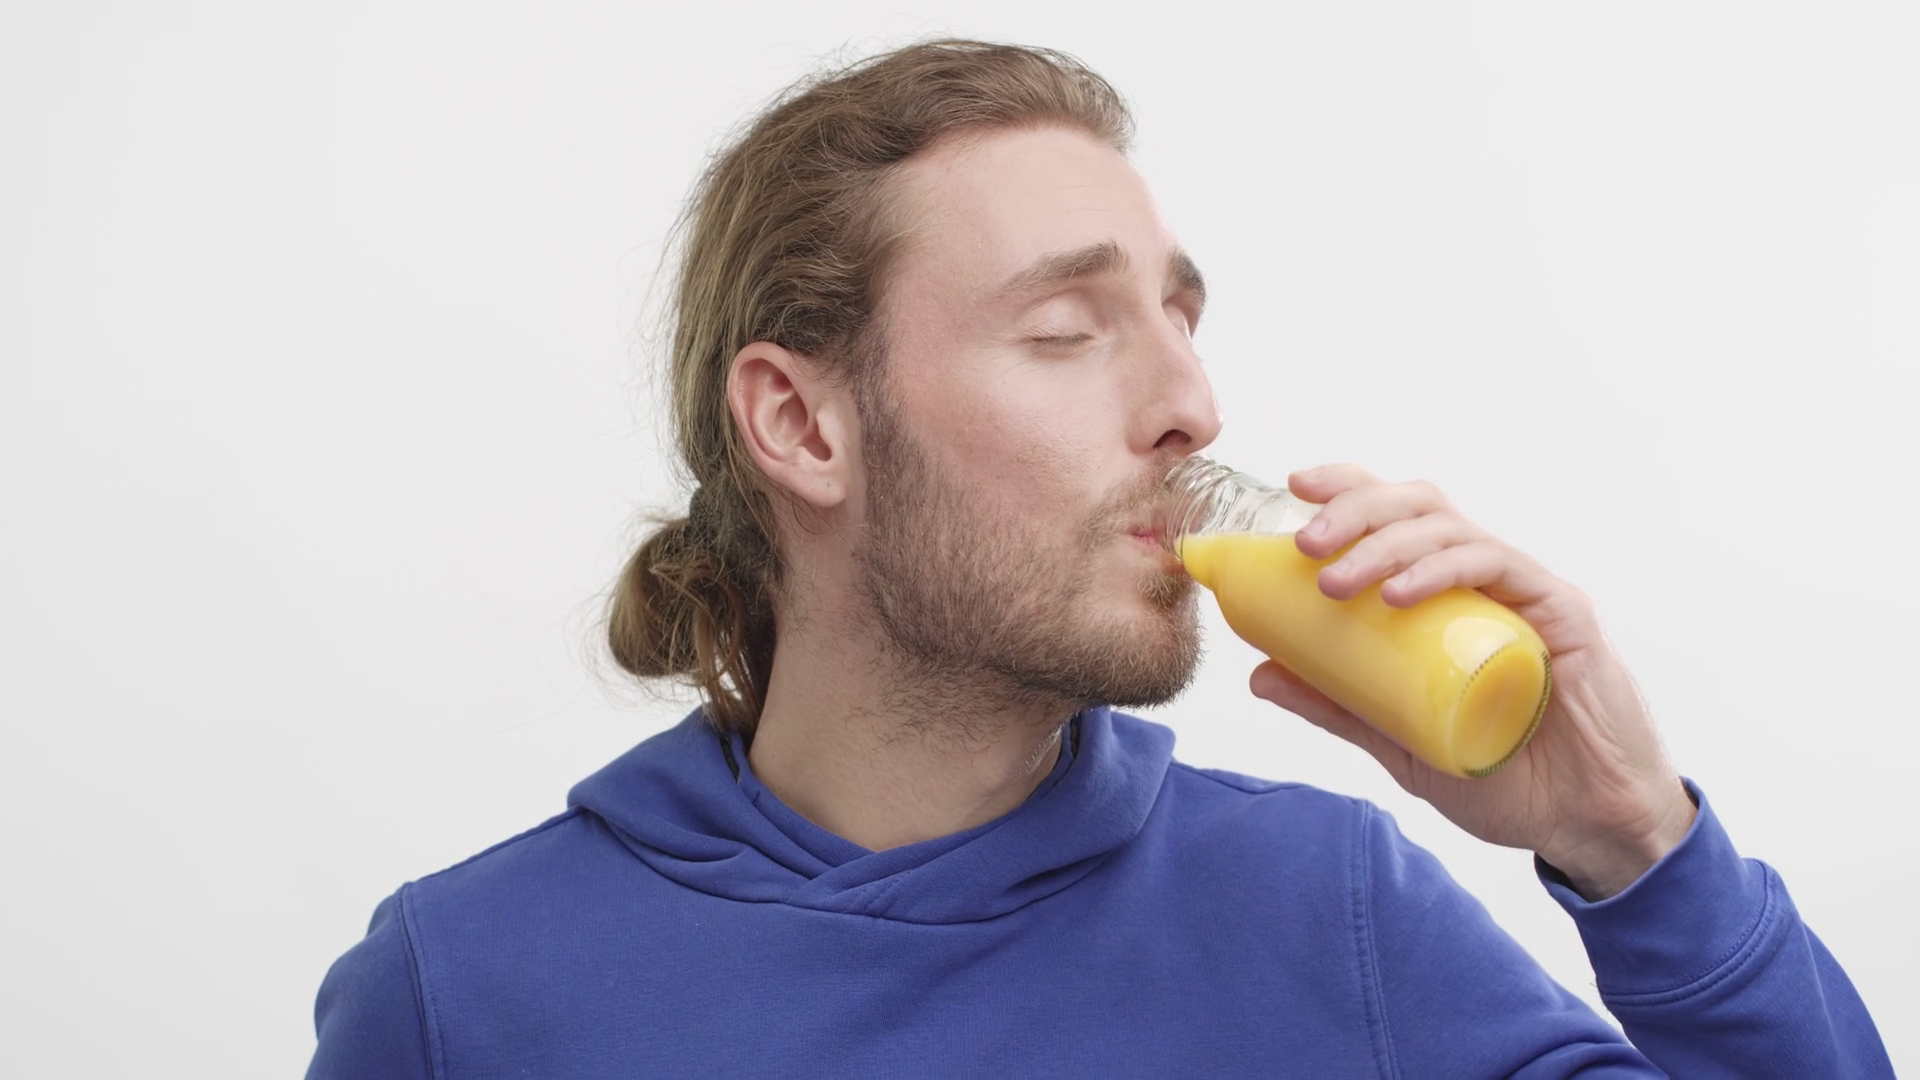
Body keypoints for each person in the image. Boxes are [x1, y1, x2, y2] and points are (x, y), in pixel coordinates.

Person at [306, 40, 1892, 1077]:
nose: (1192, 405)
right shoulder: (463, 991)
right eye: (1068, 330)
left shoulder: (1330, 912)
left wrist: (1633, 842)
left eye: (1180, 322)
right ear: (801, 425)